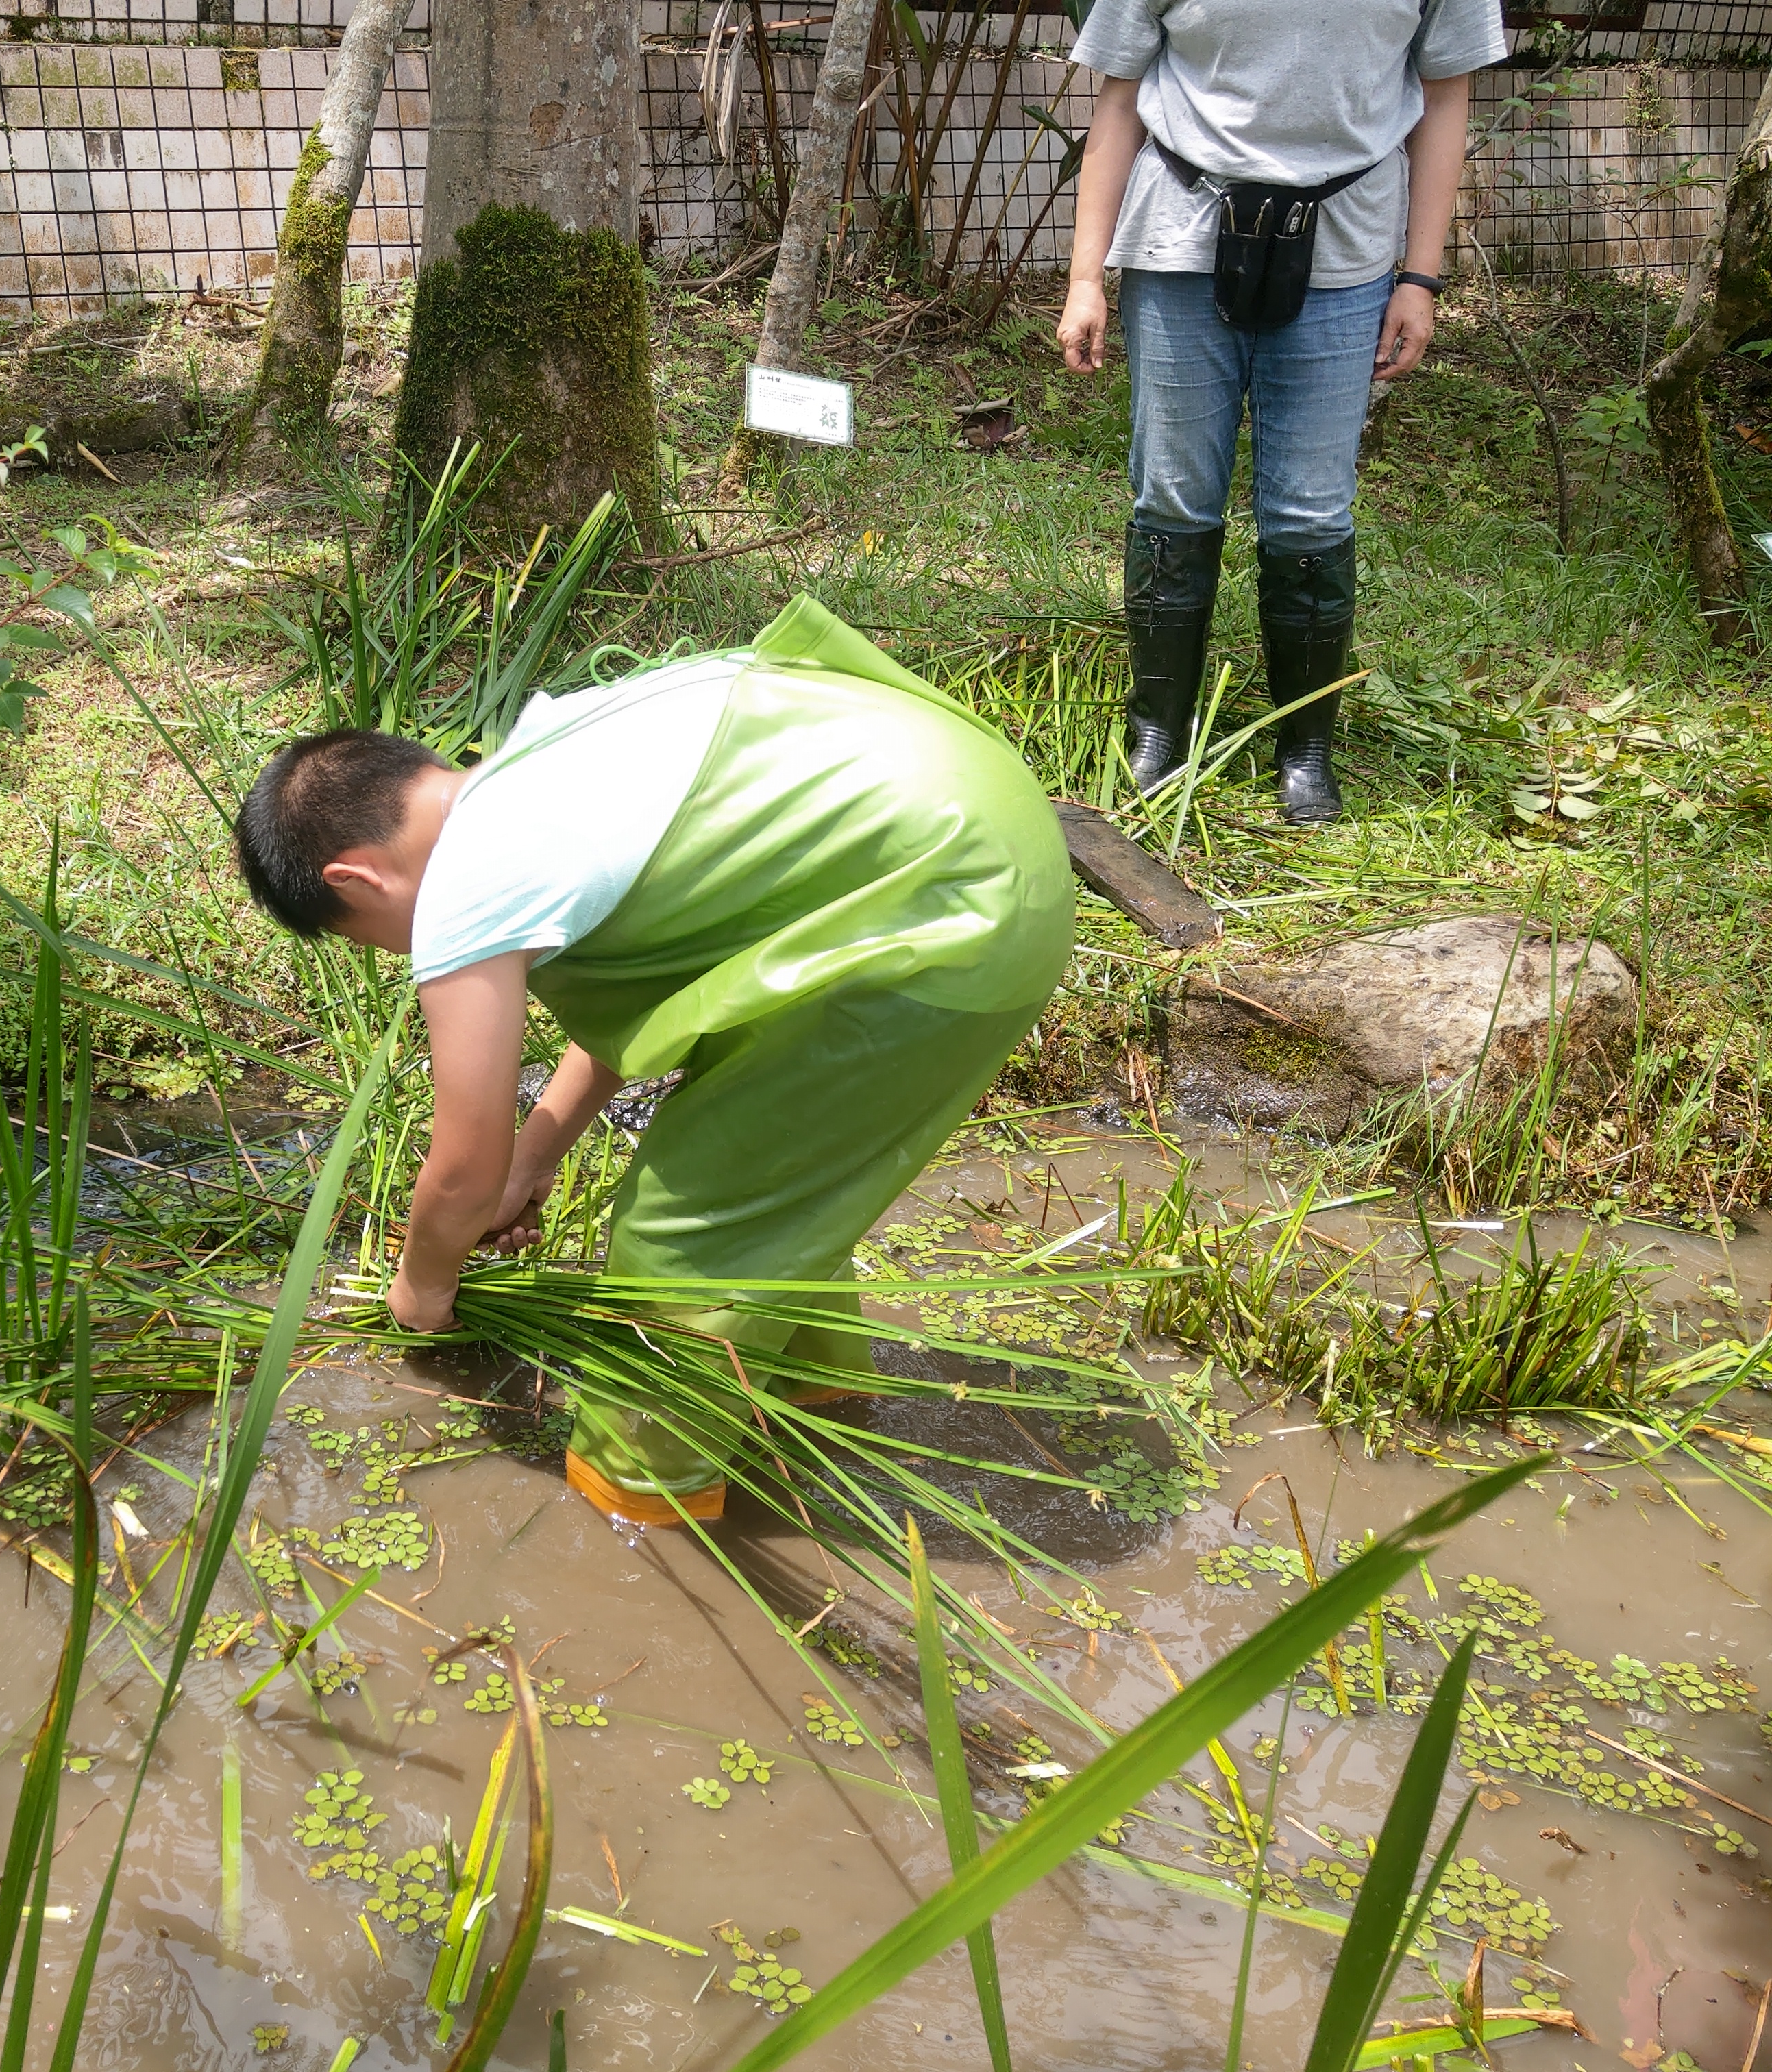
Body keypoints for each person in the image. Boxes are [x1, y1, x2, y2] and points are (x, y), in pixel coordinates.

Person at [232, 597, 1074, 1528]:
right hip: (991, 841)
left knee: (682, 1236)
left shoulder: (466, 885)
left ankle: (641, 1505)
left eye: (376, 941)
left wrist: (423, 1287)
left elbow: (460, 1167)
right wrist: (540, 1152)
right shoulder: (548, 759)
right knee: (769, 1192)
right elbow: (644, 995)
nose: (407, 953)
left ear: (356, 880)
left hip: (936, 912)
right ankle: (815, 1402)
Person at [1058, 0, 1507, 824]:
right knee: (1172, 497)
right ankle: (1160, 727)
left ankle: (1304, 748)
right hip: (1180, 246)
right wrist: (1087, 276)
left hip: (1348, 255)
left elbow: (1446, 99)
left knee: (1310, 512)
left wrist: (1422, 276)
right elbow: (1118, 102)